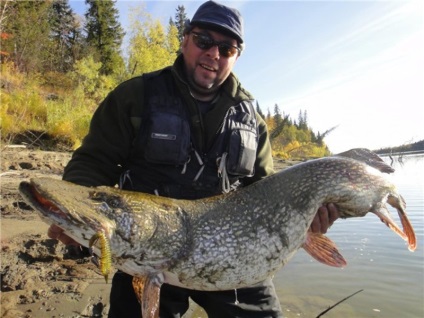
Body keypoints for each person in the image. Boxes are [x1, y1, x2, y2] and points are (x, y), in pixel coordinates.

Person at [48, 1, 339, 317]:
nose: (214, 53)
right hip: (146, 253)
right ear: (185, 39)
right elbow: (94, 161)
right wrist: (75, 211)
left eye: (227, 48)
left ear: (236, 57)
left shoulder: (253, 121)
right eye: (204, 41)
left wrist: (308, 221)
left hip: (235, 259)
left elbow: (268, 193)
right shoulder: (135, 97)